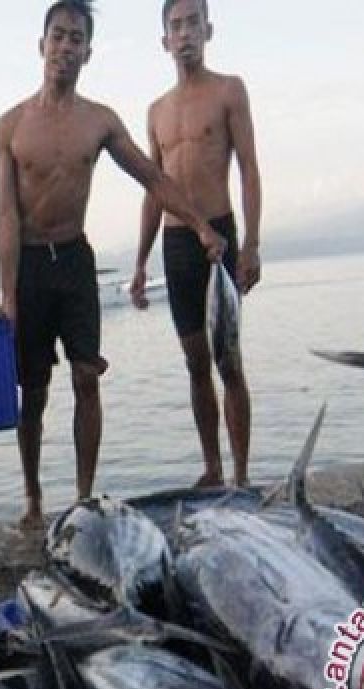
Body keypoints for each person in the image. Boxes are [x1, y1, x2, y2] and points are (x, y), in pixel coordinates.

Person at [0, 0, 226, 530]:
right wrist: (8, 294)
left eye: (76, 38)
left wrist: (199, 224)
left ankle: (81, 497)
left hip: (75, 260)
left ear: (88, 52)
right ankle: (32, 498)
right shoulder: (11, 126)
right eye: (58, 36)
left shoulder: (98, 121)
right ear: (42, 45)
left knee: (86, 379)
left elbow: (154, 177)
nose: (66, 47)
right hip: (30, 264)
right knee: (32, 391)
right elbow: (6, 215)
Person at [130, 0, 261, 488]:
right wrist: (141, 263)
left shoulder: (229, 91)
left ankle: (242, 475)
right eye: (175, 25)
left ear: (209, 29)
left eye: (192, 23)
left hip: (218, 238)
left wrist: (251, 243)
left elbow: (248, 167)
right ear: (164, 39)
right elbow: (153, 187)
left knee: (229, 358)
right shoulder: (156, 112)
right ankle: (213, 468)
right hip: (176, 243)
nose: (184, 33)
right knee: (194, 362)